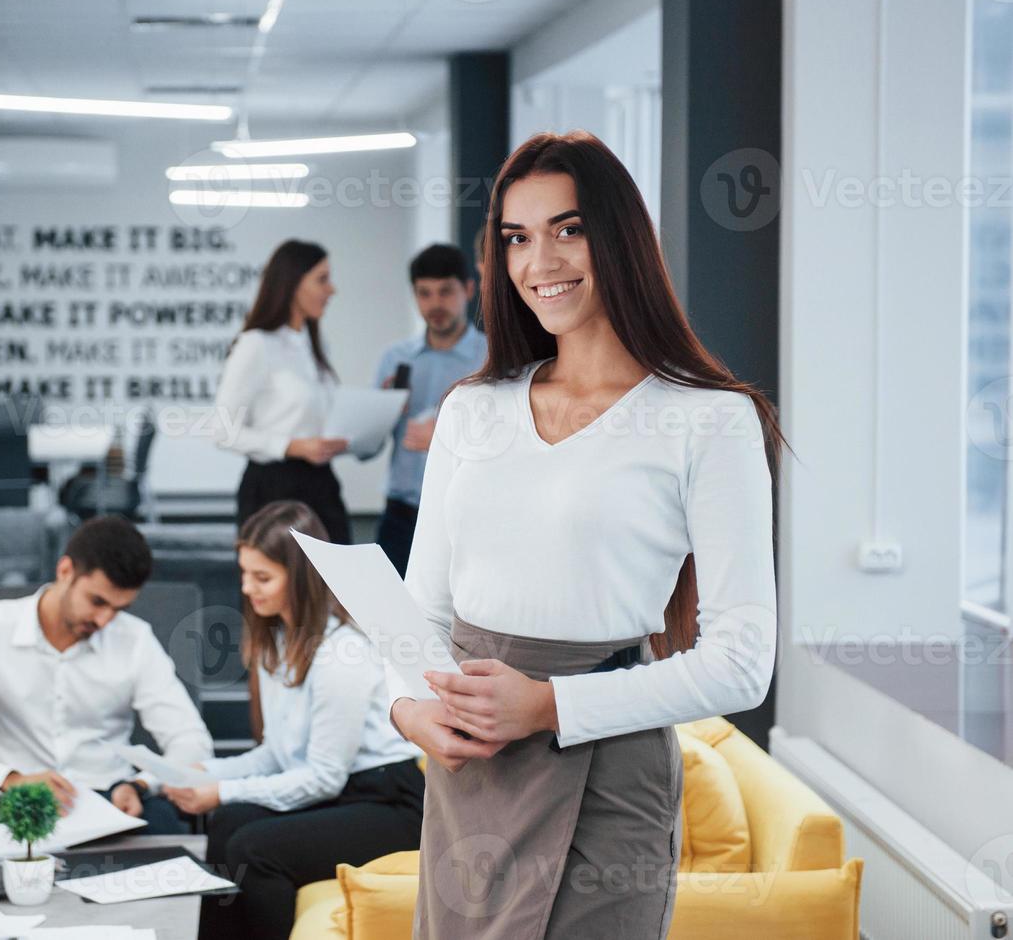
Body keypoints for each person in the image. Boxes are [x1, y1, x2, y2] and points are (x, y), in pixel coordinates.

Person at [389, 130, 783, 940]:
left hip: (605, 771)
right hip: (472, 776)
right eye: (516, 238)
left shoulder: (707, 418)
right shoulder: (473, 408)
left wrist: (546, 706)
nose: (540, 262)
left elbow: (741, 665)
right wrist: (405, 708)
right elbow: (418, 614)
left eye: (567, 229)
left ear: (619, 238)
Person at [163, 500, 424, 940]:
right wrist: (205, 774)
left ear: (301, 576)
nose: (247, 588)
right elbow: (277, 754)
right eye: (244, 573)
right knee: (229, 821)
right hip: (347, 790)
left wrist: (220, 790)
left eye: (262, 577)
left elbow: (322, 777)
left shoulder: (343, 653)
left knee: (254, 848)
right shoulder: (276, 641)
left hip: (390, 800)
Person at [0, 516, 212, 833]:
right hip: (12, 795)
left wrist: (140, 785)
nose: (104, 620)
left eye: (118, 609)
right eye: (97, 601)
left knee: (161, 819)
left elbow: (192, 742)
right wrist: (11, 779)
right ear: (65, 571)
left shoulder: (135, 640)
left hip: (106, 799)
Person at [214, 239, 352, 545]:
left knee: (337, 587)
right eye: (322, 279)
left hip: (322, 484)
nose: (332, 290)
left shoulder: (314, 344)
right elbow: (222, 430)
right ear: (292, 283)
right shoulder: (256, 345)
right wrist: (291, 446)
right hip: (272, 490)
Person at [371, 243, 488, 574]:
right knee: (390, 621)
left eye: (445, 292)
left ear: (468, 289)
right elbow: (367, 450)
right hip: (401, 516)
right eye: (424, 294)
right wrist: (381, 414)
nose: (435, 304)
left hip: (466, 517)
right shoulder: (395, 359)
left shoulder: (493, 358)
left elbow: (508, 441)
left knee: (458, 622)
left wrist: (445, 438)